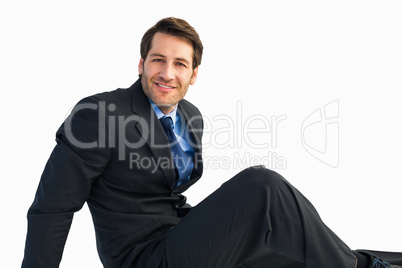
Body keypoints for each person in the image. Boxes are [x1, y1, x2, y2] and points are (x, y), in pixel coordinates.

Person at [22, 17, 401, 268]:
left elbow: (168, 195)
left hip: (178, 239)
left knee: (277, 247)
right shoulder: (100, 114)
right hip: (142, 258)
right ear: (141, 64)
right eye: (157, 60)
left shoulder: (191, 117)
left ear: (194, 73)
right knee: (261, 186)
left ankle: (370, 260)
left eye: (180, 64)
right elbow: (51, 209)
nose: (167, 74)